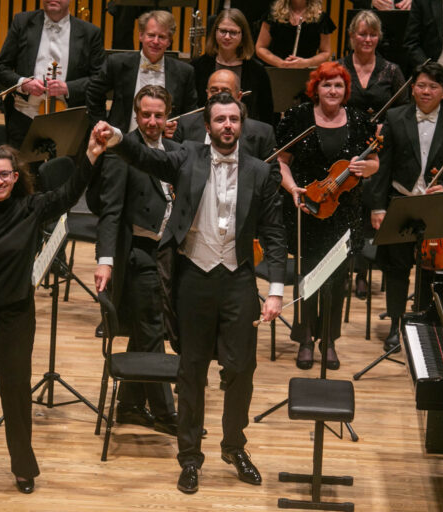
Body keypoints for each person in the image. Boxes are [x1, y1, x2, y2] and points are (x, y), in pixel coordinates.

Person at [92, 92, 286, 494]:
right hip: (194, 277)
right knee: (191, 370)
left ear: (241, 124)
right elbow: (147, 158)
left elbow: (275, 235)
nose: (227, 126)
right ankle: (190, 457)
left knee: (240, 370)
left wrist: (276, 291)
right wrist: (115, 138)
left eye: (234, 119)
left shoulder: (259, 172)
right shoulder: (186, 157)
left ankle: (234, 446)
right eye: (220, 120)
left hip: (237, 280)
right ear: (208, 126)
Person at [0, 143, 98, 494]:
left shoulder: (31, 208)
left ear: (16, 177)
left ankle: (23, 468)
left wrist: (90, 155)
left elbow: (70, 193)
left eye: (5, 174)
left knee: (15, 393)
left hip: (15, 315)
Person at [276, 62, 378, 371]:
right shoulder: (298, 118)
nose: (332, 91)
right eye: (326, 85)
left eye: (338, 85)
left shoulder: (360, 120)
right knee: (308, 276)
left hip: (344, 213)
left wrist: (366, 168)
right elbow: (281, 161)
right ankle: (306, 337)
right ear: (315, 89)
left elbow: (375, 161)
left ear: (346, 91)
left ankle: (329, 340)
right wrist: (293, 188)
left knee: (338, 279)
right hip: (308, 208)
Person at [370, 62, 443, 350]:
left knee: (430, 269)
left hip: (434, 205)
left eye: (433, 87)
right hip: (401, 200)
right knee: (397, 267)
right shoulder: (394, 117)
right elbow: (382, 167)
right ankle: (395, 324)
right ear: (412, 88)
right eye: (421, 85)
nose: (425, 91)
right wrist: (378, 207)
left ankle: (426, 322)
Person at [93, 85, 178, 436]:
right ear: (136, 114)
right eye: (146, 114)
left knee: (146, 330)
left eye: (159, 114)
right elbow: (110, 211)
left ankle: (128, 405)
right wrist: (105, 259)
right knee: (153, 327)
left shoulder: (175, 150)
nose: (152, 121)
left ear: (168, 114)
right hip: (139, 253)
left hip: (171, 253)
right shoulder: (121, 152)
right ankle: (165, 413)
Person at [338, 9, 408, 301]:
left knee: (371, 204)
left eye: (372, 34)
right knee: (344, 206)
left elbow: (403, 109)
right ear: (352, 35)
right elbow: (328, 98)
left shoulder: (391, 70)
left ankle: (363, 272)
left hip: (379, 146)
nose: (367, 39)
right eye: (362, 33)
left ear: (379, 37)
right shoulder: (339, 67)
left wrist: (385, 126)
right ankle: (342, 267)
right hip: (343, 142)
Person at [0, 0, 105, 149]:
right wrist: (23, 83)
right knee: (23, 171)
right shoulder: (22, 22)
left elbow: (100, 80)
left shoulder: (90, 33)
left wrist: (68, 88)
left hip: (68, 121)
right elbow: (1, 68)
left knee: (63, 171)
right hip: (24, 117)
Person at [86, 10, 198, 134]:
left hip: (165, 148)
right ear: (141, 36)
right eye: (151, 35)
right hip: (122, 145)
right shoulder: (118, 63)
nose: (155, 41)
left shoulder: (184, 72)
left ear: (169, 41)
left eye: (161, 37)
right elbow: (93, 93)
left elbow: (190, 114)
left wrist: (178, 129)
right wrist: (102, 125)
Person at [191, 8, 274, 124]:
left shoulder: (257, 71)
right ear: (215, 31)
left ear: (243, 35)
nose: (227, 37)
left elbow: (266, 114)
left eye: (233, 32)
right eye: (223, 31)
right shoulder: (198, 66)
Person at [173, 69, 277, 162]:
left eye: (226, 91)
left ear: (239, 96)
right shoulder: (186, 124)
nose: (219, 96)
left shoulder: (262, 133)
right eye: (213, 91)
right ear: (207, 93)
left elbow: (272, 175)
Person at [255, 0, 336, 69]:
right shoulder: (273, 15)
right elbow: (260, 48)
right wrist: (281, 63)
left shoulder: (321, 18)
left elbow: (325, 52)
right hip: (276, 72)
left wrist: (306, 63)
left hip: (305, 73)